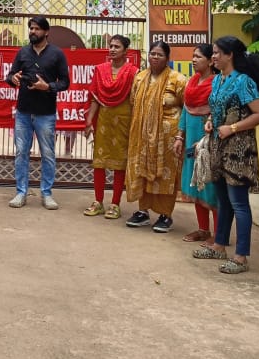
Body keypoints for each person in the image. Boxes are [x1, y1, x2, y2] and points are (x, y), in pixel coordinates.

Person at [190, 36, 259, 273]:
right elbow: (217, 108)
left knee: (239, 203)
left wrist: (232, 128)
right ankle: (219, 245)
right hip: (219, 146)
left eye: (216, 53)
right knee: (223, 200)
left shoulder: (243, 81)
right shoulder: (218, 80)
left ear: (229, 55)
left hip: (238, 150)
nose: (213, 57)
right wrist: (211, 121)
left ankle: (241, 257)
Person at [5, 16, 70, 209]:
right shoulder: (23, 52)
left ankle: (46, 193)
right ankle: (21, 192)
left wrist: (47, 87)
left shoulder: (57, 54)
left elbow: (65, 82)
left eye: (37, 28)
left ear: (46, 32)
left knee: (48, 154)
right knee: (21, 153)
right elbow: (10, 75)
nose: (33, 31)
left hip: (46, 113)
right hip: (23, 112)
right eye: (31, 28)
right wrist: (13, 79)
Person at [124, 41, 187, 232]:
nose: (155, 57)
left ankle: (165, 215)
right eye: (152, 54)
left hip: (166, 138)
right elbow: (133, 102)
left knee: (165, 175)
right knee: (142, 171)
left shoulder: (178, 79)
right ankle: (142, 212)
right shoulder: (140, 77)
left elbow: (186, 107)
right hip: (142, 135)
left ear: (167, 58)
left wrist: (181, 135)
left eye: (160, 54)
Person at [83, 35, 137, 219]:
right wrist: (89, 121)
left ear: (125, 51)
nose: (112, 49)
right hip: (104, 120)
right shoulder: (100, 70)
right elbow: (95, 98)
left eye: (117, 47)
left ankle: (115, 204)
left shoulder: (133, 72)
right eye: (111, 46)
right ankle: (98, 202)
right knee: (99, 161)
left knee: (120, 164)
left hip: (123, 121)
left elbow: (135, 101)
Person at [177, 44, 218, 243]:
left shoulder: (217, 84)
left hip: (208, 140)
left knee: (211, 185)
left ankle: (219, 234)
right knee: (195, 182)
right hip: (191, 139)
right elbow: (186, 111)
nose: (194, 60)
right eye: (193, 56)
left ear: (210, 61)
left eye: (199, 57)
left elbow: (218, 113)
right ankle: (203, 229)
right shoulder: (192, 83)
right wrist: (179, 136)